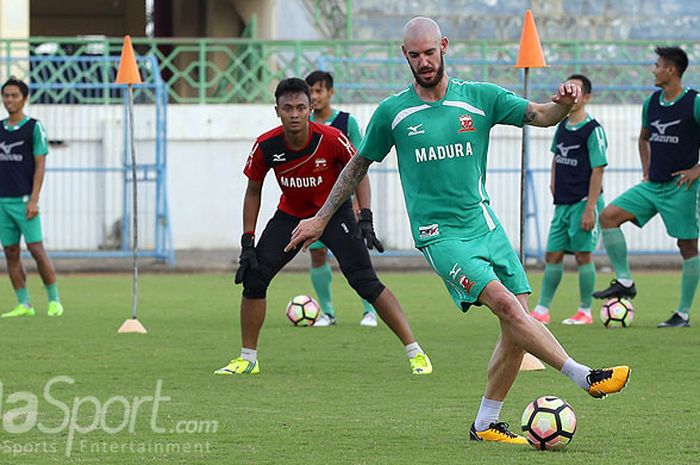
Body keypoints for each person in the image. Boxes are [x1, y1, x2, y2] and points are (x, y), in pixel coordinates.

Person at [287, 17, 630, 444]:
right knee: (508, 308)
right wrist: (320, 218)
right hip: (439, 234)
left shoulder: (479, 98)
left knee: (516, 324)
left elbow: (542, 115)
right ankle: (583, 376)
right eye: (415, 55)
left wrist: (563, 102)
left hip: (485, 224)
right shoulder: (393, 112)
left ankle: (486, 423)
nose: (424, 61)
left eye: (430, 52)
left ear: (444, 47)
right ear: (404, 55)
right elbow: (358, 164)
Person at [214, 78, 432, 376]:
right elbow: (253, 191)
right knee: (254, 278)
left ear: (310, 108)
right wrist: (247, 241)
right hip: (290, 217)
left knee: (365, 281)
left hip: (333, 215)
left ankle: (415, 352)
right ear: (276, 110)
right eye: (287, 108)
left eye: (300, 107)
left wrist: (365, 216)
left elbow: (359, 173)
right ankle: (247, 358)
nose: (294, 114)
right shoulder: (266, 145)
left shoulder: (331, 138)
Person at [593, 46, 700, 328]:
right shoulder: (651, 103)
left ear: (672, 70)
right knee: (608, 217)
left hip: (682, 187)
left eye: (657, 65)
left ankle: (683, 314)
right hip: (652, 186)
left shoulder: (695, 102)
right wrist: (646, 170)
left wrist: (696, 170)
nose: (653, 69)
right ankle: (625, 281)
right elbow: (643, 139)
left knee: (687, 246)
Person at [530, 74, 607, 326]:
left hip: (583, 203)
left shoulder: (592, 130)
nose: (572, 95)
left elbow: (598, 169)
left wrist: (590, 208)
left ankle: (585, 311)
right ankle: (542, 309)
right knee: (552, 255)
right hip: (562, 205)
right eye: (568, 89)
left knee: (583, 256)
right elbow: (556, 157)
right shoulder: (561, 125)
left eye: (577, 91)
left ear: (586, 97)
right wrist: (553, 182)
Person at [304, 70, 379, 327]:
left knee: (356, 258)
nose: (314, 97)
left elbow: (359, 164)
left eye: (319, 91)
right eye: (310, 91)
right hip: (314, 205)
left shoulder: (346, 123)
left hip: (344, 205)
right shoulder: (305, 125)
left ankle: (370, 310)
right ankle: (327, 313)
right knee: (317, 255)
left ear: (330, 93)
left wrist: (359, 205)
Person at [0, 77, 63, 318]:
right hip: (2, 203)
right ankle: (24, 304)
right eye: (6, 95)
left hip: (25, 201)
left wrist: (34, 199)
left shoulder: (34, 127)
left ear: (24, 99)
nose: (10, 100)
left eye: (15, 95)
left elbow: (40, 164)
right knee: (11, 252)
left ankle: (54, 301)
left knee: (36, 249)